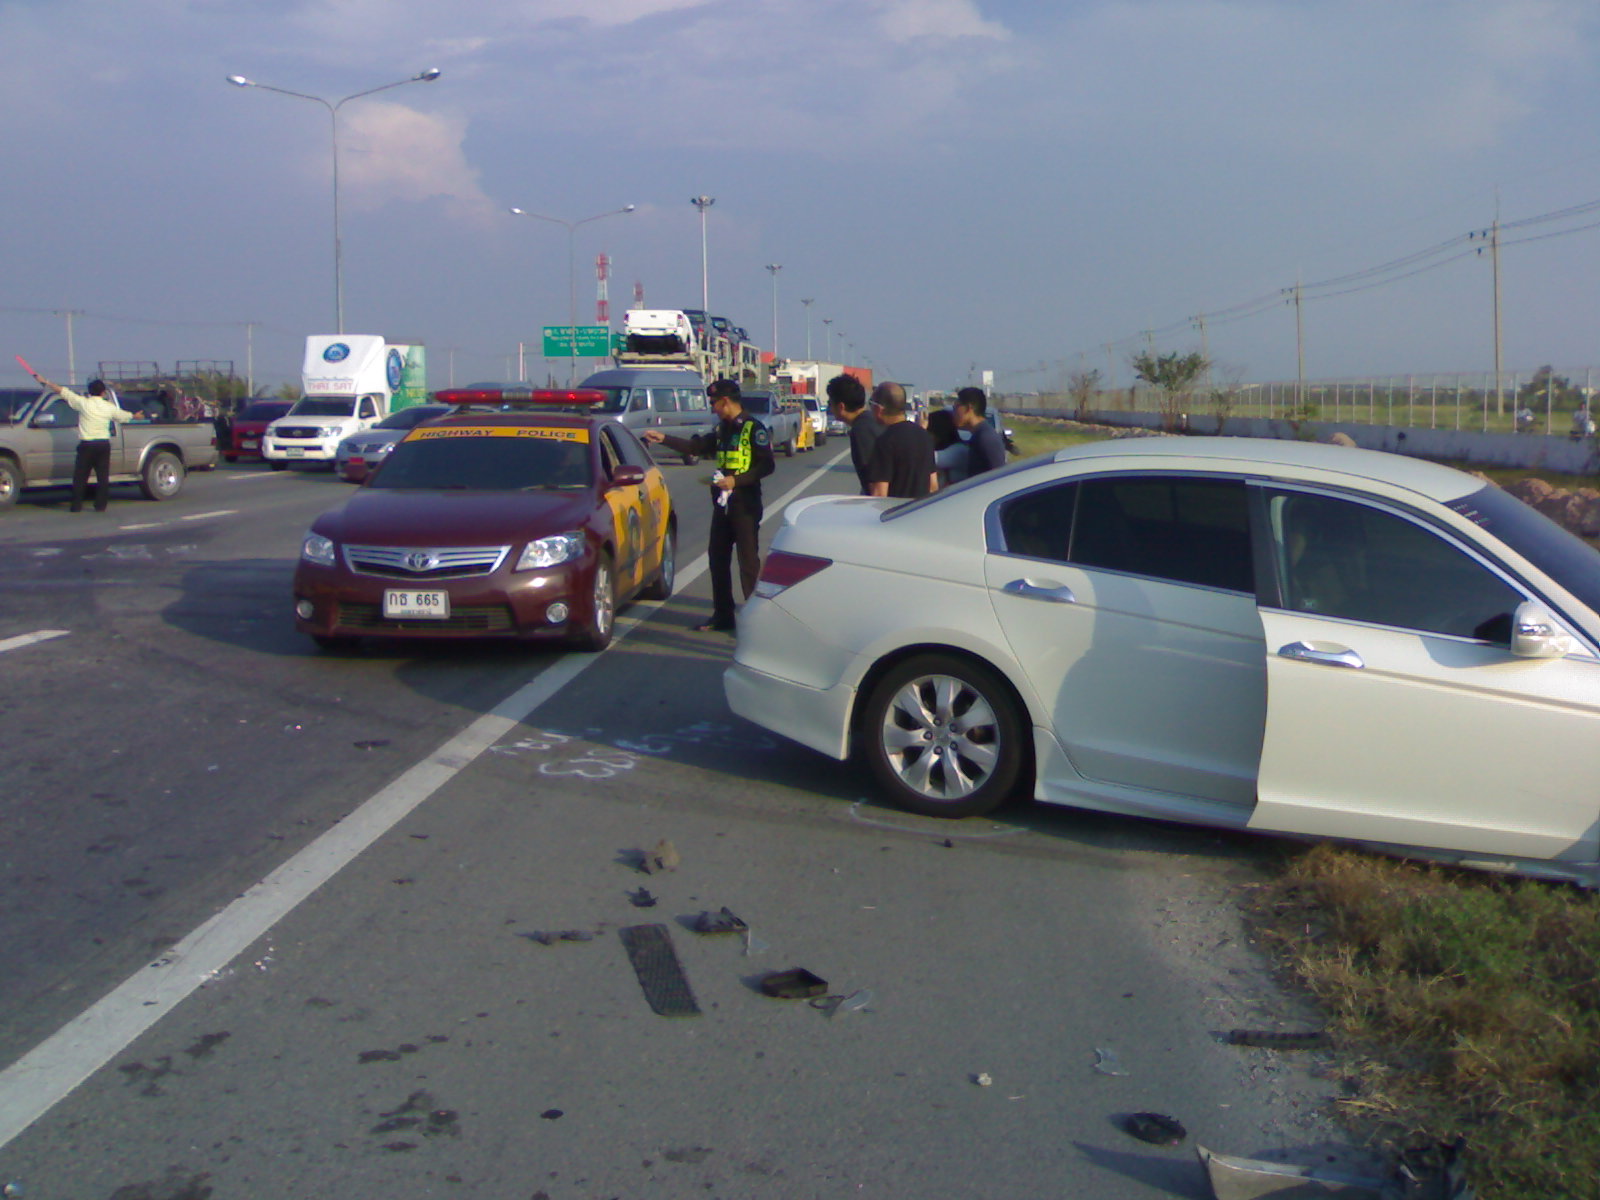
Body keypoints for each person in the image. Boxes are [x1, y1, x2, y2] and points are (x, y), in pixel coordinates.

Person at [642, 378, 774, 633]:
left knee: (748, 563)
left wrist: (736, 480)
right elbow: (696, 447)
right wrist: (663, 438)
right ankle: (723, 616)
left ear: (725, 401)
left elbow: (767, 464)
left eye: (714, 403)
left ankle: (756, 622)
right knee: (717, 558)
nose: (712, 408)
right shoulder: (723, 429)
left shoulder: (752, 428)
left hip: (745, 505)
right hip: (723, 505)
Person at [30, 372, 143, 512]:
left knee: (80, 477)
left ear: (90, 392)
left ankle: (76, 505)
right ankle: (100, 506)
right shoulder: (108, 407)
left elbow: (64, 392)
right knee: (102, 477)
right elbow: (123, 416)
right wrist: (135, 416)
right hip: (103, 445)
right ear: (103, 392)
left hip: (87, 445)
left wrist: (46, 381)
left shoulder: (83, 403)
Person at [866, 381, 937, 500]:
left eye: (871, 404)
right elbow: (933, 486)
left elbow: (879, 494)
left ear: (879, 409)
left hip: (897, 510)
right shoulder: (925, 436)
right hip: (921, 508)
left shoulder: (885, 441)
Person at [827, 372, 880, 495]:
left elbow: (873, 481)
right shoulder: (870, 420)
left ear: (841, 407)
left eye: (830, 403)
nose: (830, 408)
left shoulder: (861, 430)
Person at [952, 386, 1008, 478]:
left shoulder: (986, 438)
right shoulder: (979, 435)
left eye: (956, 406)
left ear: (969, 408)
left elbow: (999, 477)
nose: (954, 411)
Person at [926, 407, 969, 486]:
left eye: (928, 431)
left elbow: (929, 458)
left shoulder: (959, 451)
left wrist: (919, 433)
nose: (927, 436)